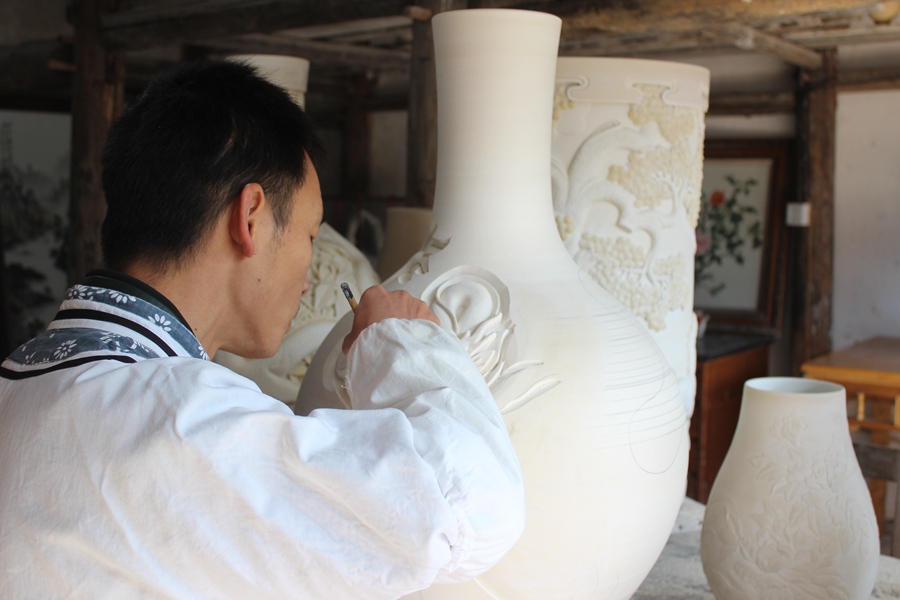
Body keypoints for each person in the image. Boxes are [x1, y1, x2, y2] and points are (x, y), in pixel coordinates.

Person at [0, 60, 525, 599]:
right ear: (250, 216)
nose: (309, 274)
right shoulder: (184, 421)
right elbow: (471, 507)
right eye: (310, 235)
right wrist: (402, 344)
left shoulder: (19, 386)